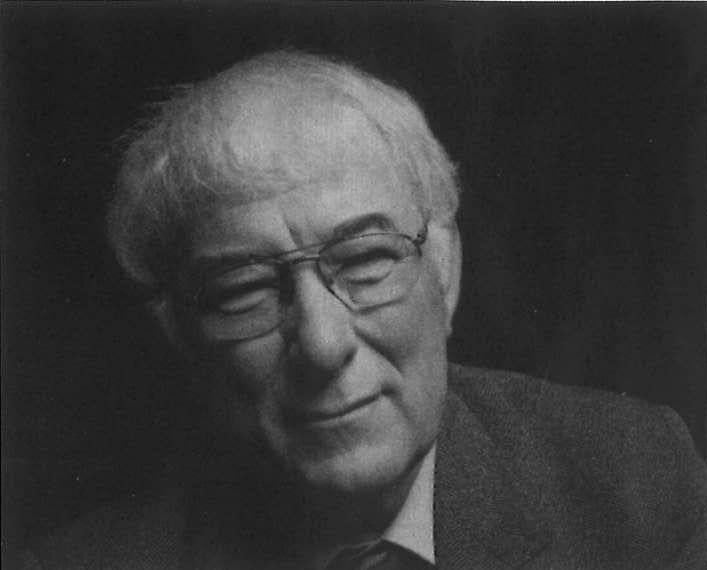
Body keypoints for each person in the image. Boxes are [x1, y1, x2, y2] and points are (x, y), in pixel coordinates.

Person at [23, 50, 704, 570]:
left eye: (365, 260)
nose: (323, 345)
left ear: (444, 271)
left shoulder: (636, 485)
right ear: (179, 334)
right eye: (243, 290)